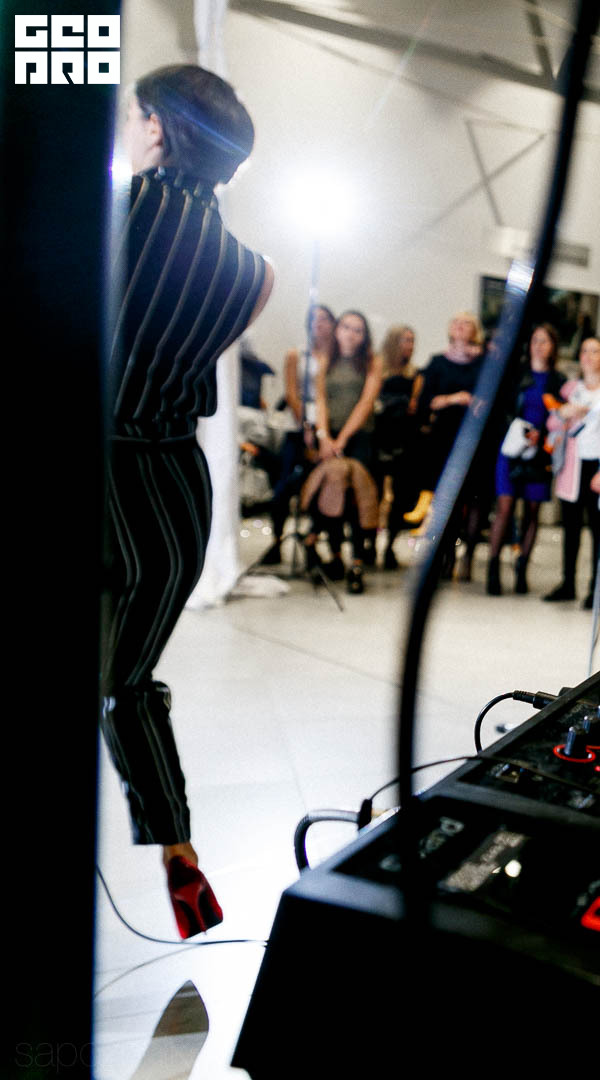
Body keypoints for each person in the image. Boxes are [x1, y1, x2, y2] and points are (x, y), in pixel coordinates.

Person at [104, 64, 274, 938]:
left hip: (102, 472)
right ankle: (178, 848)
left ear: (157, 128)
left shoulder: (113, 212)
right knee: (127, 679)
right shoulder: (255, 273)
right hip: (174, 495)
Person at [301, 309, 382, 592]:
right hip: (329, 435)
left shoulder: (372, 362)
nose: (351, 334)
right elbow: (321, 400)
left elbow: (366, 403)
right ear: (337, 330)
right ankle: (334, 555)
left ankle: (356, 562)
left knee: (356, 499)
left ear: (364, 336)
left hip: (359, 438)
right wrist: (324, 437)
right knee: (329, 495)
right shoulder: (326, 360)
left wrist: (343, 439)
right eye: (346, 327)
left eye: (358, 329)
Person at [487, 323, 565, 595]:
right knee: (505, 507)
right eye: (535, 341)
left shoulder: (558, 381)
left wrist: (542, 435)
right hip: (511, 448)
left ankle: (522, 569)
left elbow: (561, 417)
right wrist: (520, 431)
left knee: (533, 511)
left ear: (553, 347)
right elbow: (501, 409)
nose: (539, 346)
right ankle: (493, 567)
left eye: (545, 341)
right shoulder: (515, 375)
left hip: (540, 451)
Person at [410, 311, 489, 580]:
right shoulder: (437, 362)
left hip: (473, 437)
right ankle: (445, 554)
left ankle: (467, 555)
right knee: (446, 498)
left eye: (467, 322)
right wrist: (456, 398)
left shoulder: (483, 363)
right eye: (456, 322)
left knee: (472, 498)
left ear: (475, 331)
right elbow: (425, 402)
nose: (460, 326)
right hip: (444, 437)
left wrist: (476, 402)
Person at [544, 336, 600, 606]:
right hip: (573, 467)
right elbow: (552, 424)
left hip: (599, 467)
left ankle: (595, 588)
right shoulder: (570, 389)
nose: (588, 356)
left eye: (595, 351)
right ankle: (568, 583)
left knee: (599, 531)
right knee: (571, 529)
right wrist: (563, 414)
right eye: (584, 351)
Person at [261, 303, 335, 564]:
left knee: (321, 487)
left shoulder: (336, 358)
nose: (319, 324)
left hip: (327, 427)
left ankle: (313, 539)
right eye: (314, 319)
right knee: (284, 486)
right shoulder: (296, 354)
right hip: (297, 428)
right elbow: (292, 393)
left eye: (324, 319)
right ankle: (276, 540)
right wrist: (306, 424)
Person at [372, 324, 419, 570]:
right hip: (379, 437)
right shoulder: (377, 370)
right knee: (374, 493)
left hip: (404, 440)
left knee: (402, 498)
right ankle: (369, 543)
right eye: (404, 340)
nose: (409, 345)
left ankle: (389, 544)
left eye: (411, 340)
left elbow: (415, 407)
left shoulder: (416, 374)